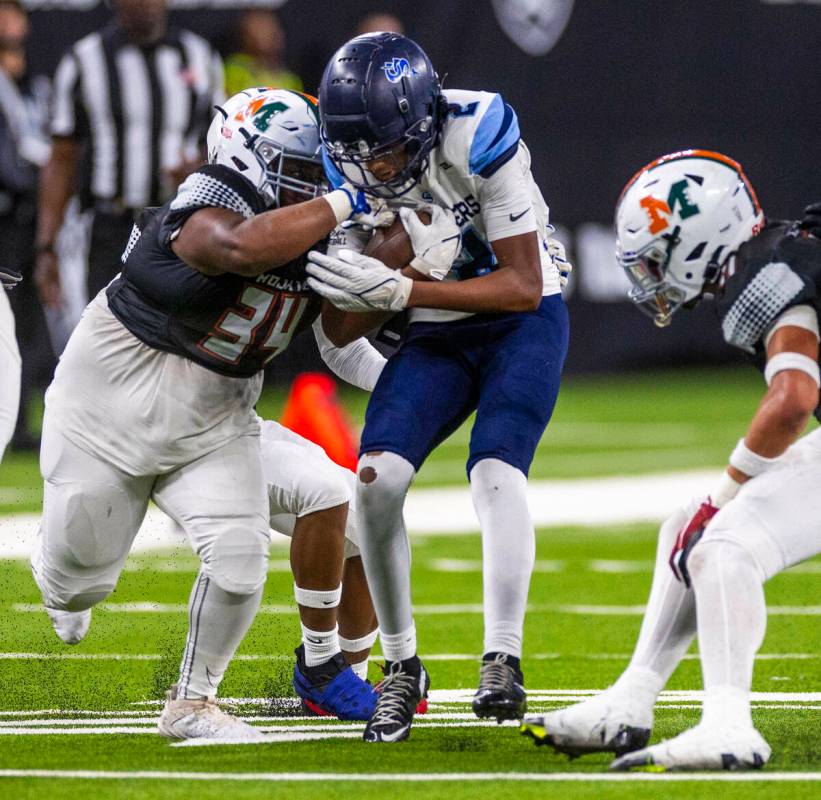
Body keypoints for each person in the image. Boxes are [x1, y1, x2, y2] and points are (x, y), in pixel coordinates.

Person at [30, 86, 390, 740]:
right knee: (76, 583)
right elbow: (240, 251)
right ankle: (60, 580)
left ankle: (195, 704)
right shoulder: (208, 198)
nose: (315, 181)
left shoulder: (321, 227)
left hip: (214, 420)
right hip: (107, 417)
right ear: (247, 158)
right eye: (300, 167)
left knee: (262, 538)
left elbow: (337, 338)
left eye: (322, 168)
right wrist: (343, 201)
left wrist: (397, 376)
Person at [306, 32, 571, 742]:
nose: (372, 165)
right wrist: (388, 287)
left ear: (422, 120)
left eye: (385, 147)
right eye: (358, 149)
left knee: (494, 467)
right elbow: (335, 327)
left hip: (522, 318)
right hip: (431, 327)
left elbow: (521, 285)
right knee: (374, 478)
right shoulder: (350, 160)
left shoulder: (478, 129)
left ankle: (502, 657)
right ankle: (400, 667)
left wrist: (400, 285)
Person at [521, 150, 821, 771]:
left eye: (658, 257)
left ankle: (728, 726)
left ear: (697, 240)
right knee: (685, 524)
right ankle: (631, 700)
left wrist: (726, 493)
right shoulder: (786, 251)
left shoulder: (767, 272)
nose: (651, 276)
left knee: (721, 538)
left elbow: (793, 399)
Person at [35, 0, 224, 317]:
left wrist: (198, 170)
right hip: (112, 226)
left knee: (177, 332)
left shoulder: (200, 56)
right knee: (106, 331)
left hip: (177, 224)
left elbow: (223, 141)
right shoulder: (85, 60)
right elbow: (62, 158)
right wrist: (46, 246)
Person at [0, 0, 52, 451]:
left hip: (23, 223)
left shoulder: (32, 86)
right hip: (6, 222)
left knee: (23, 329)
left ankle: (19, 425)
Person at [223, 10, 302, 97]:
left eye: (272, 28)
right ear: (245, 35)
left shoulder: (291, 80)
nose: (270, 34)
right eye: (260, 28)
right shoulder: (235, 69)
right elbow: (230, 104)